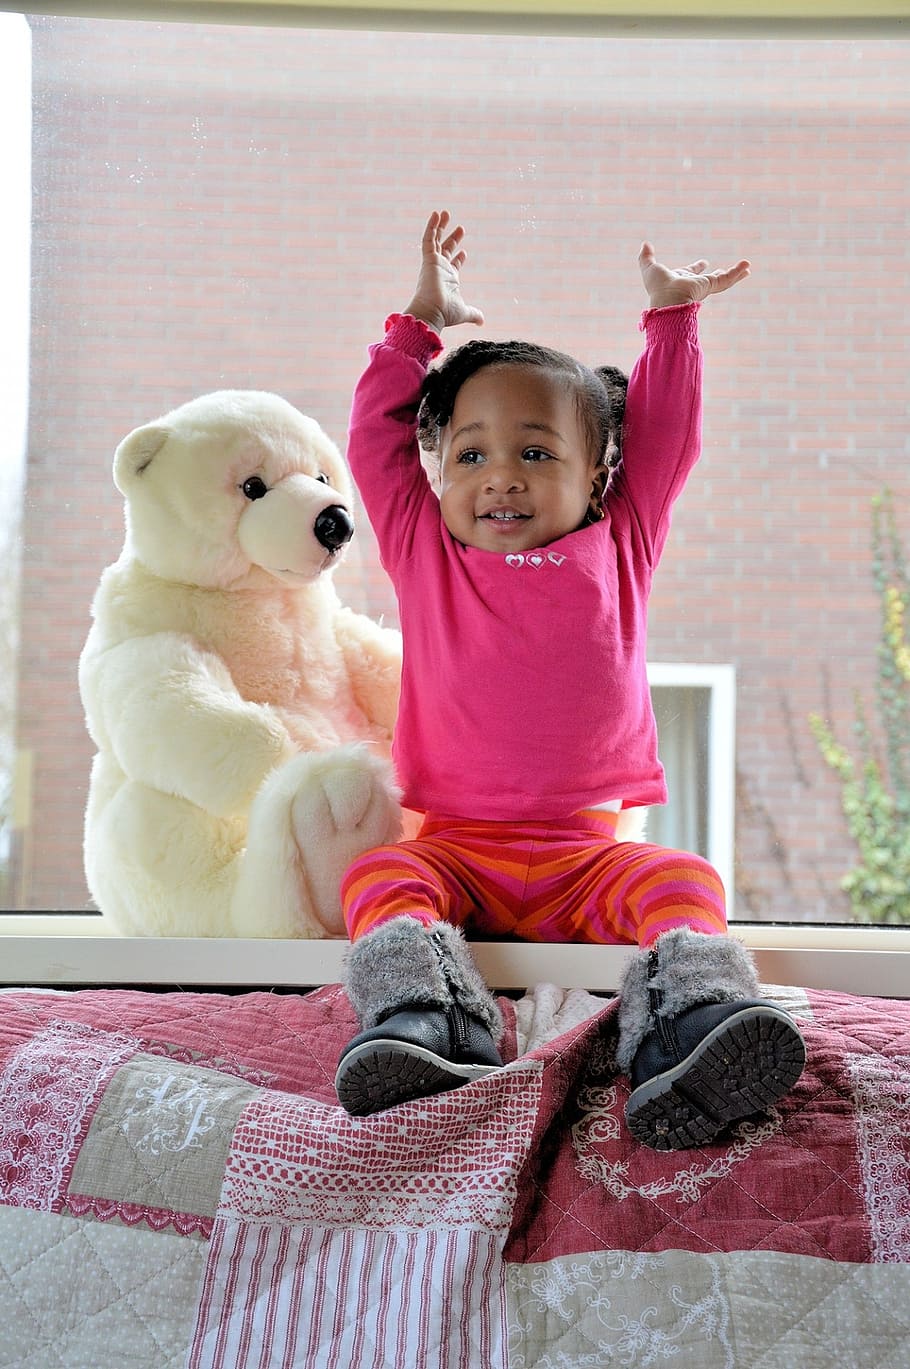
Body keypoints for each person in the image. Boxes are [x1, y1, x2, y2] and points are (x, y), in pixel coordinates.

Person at [334, 211, 805, 1149]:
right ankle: (428, 1021)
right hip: (457, 850)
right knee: (381, 874)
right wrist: (414, 330)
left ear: (598, 478)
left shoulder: (621, 541)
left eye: (537, 452)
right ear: (439, 471)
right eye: (470, 453)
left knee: (683, 877)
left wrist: (672, 324)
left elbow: (668, 438)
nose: (500, 476)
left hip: (588, 857)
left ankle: (687, 1031)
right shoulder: (424, 547)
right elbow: (372, 444)